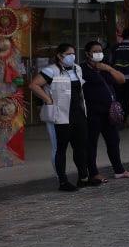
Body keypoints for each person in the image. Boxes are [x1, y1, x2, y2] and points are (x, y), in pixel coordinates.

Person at [29, 43, 96, 192]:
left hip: (78, 113)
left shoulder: (77, 69)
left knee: (80, 146)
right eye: (68, 54)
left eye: (73, 53)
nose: (72, 56)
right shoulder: (50, 71)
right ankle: (63, 181)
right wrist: (47, 100)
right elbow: (34, 85)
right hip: (59, 115)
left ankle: (83, 177)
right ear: (59, 56)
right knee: (60, 148)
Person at [80, 40, 129, 181]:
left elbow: (122, 79)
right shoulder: (82, 69)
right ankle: (93, 173)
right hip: (92, 112)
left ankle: (119, 170)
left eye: (100, 51)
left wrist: (108, 69)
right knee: (91, 143)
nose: (98, 54)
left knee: (113, 141)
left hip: (109, 112)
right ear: (87, 53)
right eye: (95, 51)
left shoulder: (105, 68)